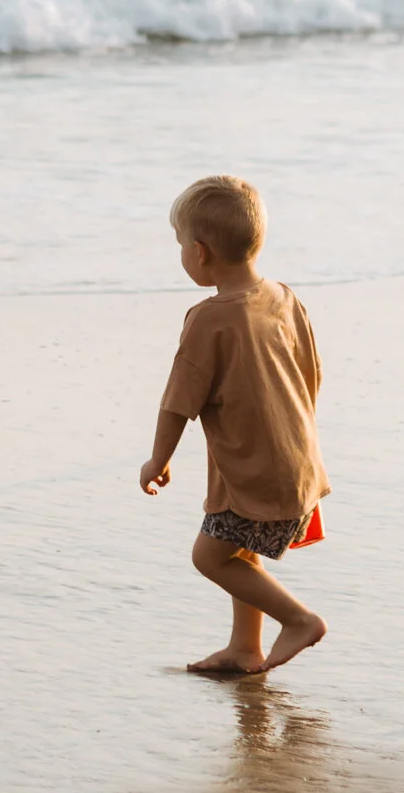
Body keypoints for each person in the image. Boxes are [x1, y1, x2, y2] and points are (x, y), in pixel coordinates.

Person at [140, 175, 329, 679]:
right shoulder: (283, 297)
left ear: (200, 253)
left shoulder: (209, 319)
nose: (181, 253)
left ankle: (298, 619)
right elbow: (311, 371)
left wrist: (158, 461)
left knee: (212, 557)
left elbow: (177, 401)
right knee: (241, 551)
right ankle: (246, 648)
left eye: (180, 244)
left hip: (258, 469)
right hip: (294, 458)